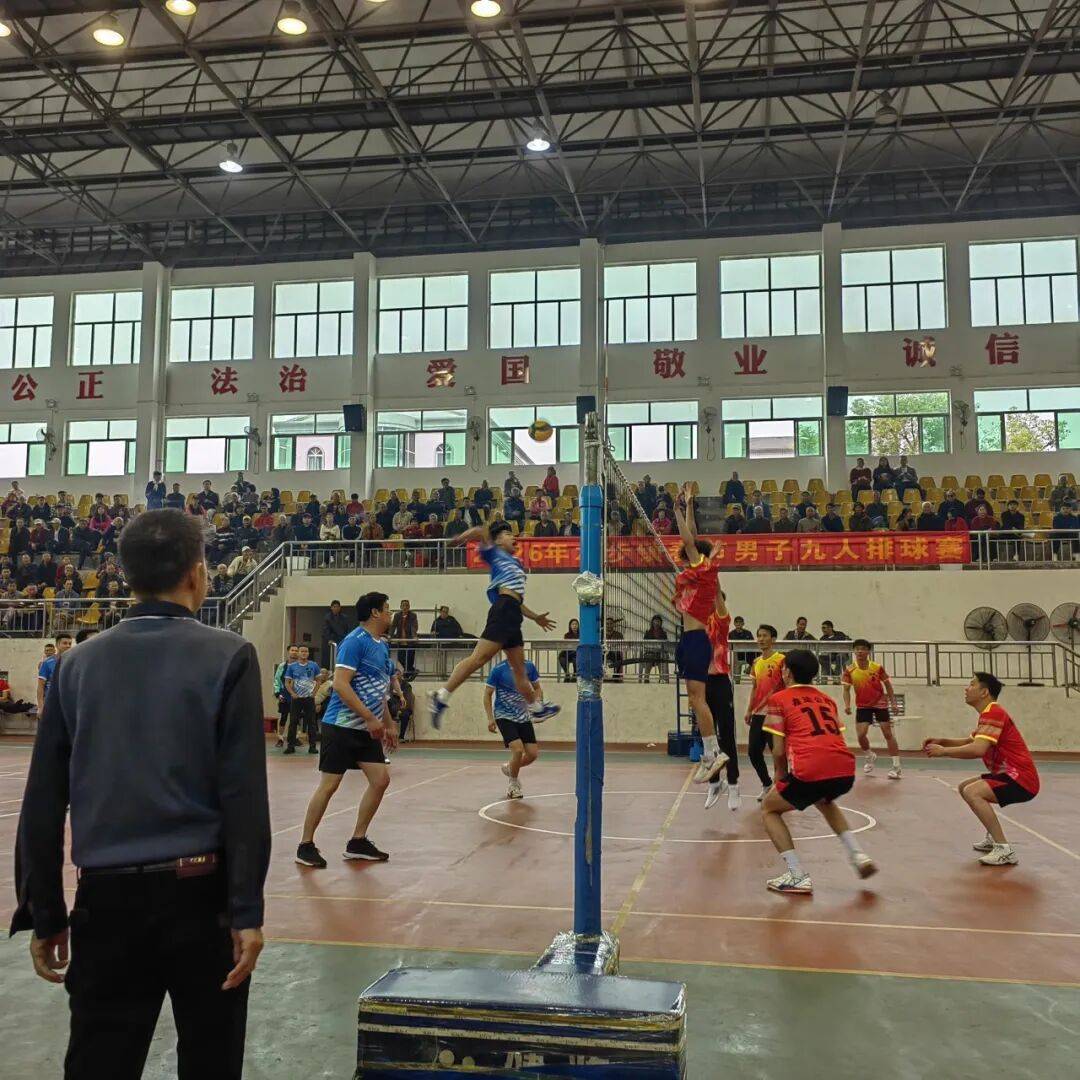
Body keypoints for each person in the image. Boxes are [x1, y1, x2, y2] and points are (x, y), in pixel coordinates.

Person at [11, 508, 269, 1078]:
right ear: (198, 573)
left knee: (99, 1063)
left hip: (106, 904)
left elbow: (44, 800)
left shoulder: (73, 666)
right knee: (211, 1061)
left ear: (125, 575)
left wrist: (45, 910)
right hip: (202, 902)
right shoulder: (229, 656)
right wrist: (247, 909)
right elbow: (244, 796)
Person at [295, 592, 399, 868]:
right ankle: (305, 845)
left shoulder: (382, 645)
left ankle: (357, 841)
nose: (389, 613)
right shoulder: (354, 642)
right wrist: (370, 718)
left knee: (380, 780)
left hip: (366, 729)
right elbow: (341, 684)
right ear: (375, 613)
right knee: (330, 785)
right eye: (387, 609)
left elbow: (379, 691)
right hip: (341, 726)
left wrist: (388, 723)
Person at [760, 650, 876, 894]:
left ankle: (797, 875)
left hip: (811, 768)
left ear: (787, 672)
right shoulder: (827, 700)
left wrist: (780, 778)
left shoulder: (778, 699)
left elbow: (778, 750)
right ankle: (858, 854)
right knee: (824, 800)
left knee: (769, 809)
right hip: (845, 768)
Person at [429, 521, 559, 728]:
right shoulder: (494, 553)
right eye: (508, 534)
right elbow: (480, 531)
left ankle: (536, 709)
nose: (514, 537)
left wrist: (535, 617)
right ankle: (441, 695)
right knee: (479, 659)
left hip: (513, 612)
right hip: (503, 610)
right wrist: (460, 539)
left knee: (520, 671)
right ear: (497, 541)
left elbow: (517, 600)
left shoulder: (516, 563)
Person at [923, 672, 1040, 866]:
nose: (966, 689)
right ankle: (994, 837)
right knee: (964, 787)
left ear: (984, 692)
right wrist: (943, 740)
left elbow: (977, 749)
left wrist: (944, 751)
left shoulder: (994, 713)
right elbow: (970, 741)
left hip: (1021, 780)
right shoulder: (988, 714)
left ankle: (1004, 850)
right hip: (1008, 775)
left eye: (972, 684)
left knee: (973, 792)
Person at [672, 483, 729, 786]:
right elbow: (692, 538)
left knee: (697, 699)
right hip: (690, 641)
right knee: (695, 700)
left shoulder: (703, 571)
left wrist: (676, 510)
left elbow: (689, 539)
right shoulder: (702, 573)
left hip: (696, 641)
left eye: (690, 555)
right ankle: (710, 754)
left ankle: (712, 752)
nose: (686, 557)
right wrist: (690, 505)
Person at [842, 639, 901, 779]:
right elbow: (846, 690)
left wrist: (893, 703)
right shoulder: (849, 670)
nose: (860, 651)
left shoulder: (877, 667)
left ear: (868, 651)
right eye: (857, 649)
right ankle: (869, 755)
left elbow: (888, 686)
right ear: (854, 651)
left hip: (880, 703)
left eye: (863, 649)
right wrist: (847, 705)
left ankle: (896, 767)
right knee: (861, 735)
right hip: (863, 706)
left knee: (887, 733)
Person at [485, 658, 543, 800]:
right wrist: (490, 718)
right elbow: (487, 694)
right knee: (517, 750)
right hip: (504, 715)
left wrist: (537, 705)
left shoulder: (529, 666)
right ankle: (513, 785)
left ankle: (510, 767)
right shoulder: (498, 669)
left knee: (532, 755)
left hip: (523, 716)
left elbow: (537, 688)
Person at [703, 593, 740, 812]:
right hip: (701, 684)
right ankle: (715, 783)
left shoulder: (721, 622)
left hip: (719, 682)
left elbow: (717, 598)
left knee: (726, 734)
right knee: (706, 736)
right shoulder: (695, 623)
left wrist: (712, 583)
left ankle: (733, 784)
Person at [743, 624, 784, 799]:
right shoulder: (756, 662)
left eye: (765, 635)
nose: (761, 639)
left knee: (778, 753)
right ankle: (767, 783)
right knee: (753, 752)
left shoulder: (782, 660)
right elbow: (754, 688)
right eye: (759, 635)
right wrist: (749, 710)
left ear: (773, 639)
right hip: (758, 714)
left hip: (776, 715)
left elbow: (788, 685)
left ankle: (780, 788)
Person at [284, 645, 322, 755]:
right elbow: (287, 683)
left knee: (312, 723)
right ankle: (290, 746)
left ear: (308, 653)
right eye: (302, 651)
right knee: (293, 722)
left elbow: (319, 681)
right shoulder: (292, 666)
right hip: (296, 699)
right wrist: (292, 694)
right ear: (298, 653)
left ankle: (312, 747)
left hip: (309, 699)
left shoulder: (314, 665)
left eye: (306, 651)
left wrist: (314, 693)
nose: (304, 653)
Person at [37, 632, 73, 715]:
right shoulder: (47, 663)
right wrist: (40, 707)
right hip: (51, 703)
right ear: (57, 645)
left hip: (69, 704)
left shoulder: (74, 661)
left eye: (70, 644)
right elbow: (40, 686)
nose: (68, 646)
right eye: (65, 643)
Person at [273, 644, 299, 748]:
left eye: (296, 650)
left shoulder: (301, 666)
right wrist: (278, 693)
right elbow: (277, 680)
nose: (294, 652)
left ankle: (294, 738)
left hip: (297, 695)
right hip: (284, 695)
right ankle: (280, 739)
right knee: (283, 717)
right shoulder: (282, 666)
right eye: (292, 650)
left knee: (296, 718)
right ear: (289, 651)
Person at [390, 599, 419, 678]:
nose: (405, 607)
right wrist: (390, 636)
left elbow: (414, 626)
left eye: (406, 605)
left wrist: (414, 636)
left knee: (410, 659)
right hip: (400, 640)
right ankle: (410, 672)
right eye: (403, 605)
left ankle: (408, 674)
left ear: (409, 607)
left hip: (410, 641)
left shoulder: (413, 615)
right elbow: (393, 626)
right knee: (401, 659)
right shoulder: (397, 615)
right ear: (400, 606)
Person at [641, 614, 671, 684]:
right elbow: (645, 644)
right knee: (649, 658)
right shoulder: (648, 632)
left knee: (661, 659)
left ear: (661, 623)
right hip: (650, 652)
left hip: (659, 653)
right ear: (652, 622)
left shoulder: (663, 633)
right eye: (655, 621)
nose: (657, 623)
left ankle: (662, 678)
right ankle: (646, 678)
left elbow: (665, 644)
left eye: (658, 621)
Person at [322, 600, 350, 666]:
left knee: (342, 657)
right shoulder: (327, 617)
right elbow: (326, 629)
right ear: (331, 607)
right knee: (329, 658)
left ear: (340, 608)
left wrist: (347, 639)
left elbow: (347, 629)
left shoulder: (344, 617)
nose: (336, 608)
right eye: (334, 607)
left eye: (337, 607)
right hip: (332, 640)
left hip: (342, 639)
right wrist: (329, 639)